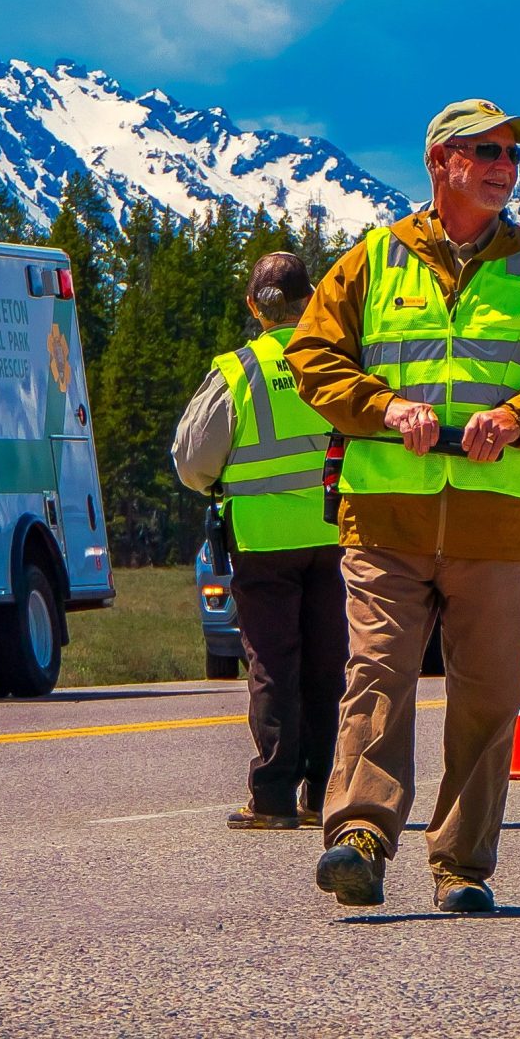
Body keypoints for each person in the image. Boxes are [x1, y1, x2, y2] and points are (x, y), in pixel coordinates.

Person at [284, 99, 520, 915]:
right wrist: (386, 408)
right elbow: (312, 357)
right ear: (440, 162)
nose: (505, 166)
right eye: (487, 152)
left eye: (513, 156)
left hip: (498, 527)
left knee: (491, 695)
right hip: (386, 515)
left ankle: (461, 866)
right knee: (378, 677)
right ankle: (359, 838)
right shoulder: (371, 261)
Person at [172, 252, 346, 831]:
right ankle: (324, 791)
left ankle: (272, 796)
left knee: (273, 664)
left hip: (263, 540)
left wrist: (218, 483)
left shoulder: (237, 372)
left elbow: (192, 460)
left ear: (254, 305)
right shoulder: (341, 361)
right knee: (328, 664)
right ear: (312, 299)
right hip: (334, 534)